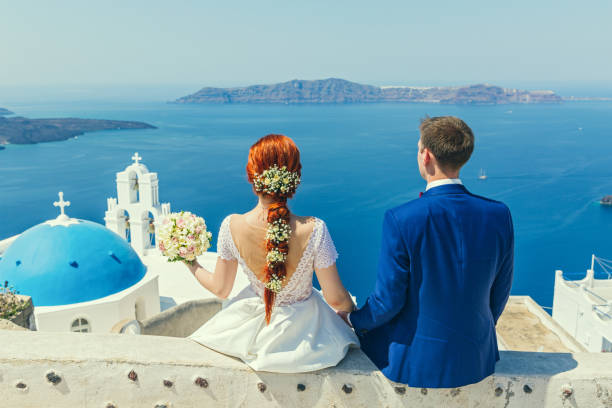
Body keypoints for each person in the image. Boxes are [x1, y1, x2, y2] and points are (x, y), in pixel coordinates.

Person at [339, 116, 514, 388]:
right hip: (477, 356)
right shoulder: (499, 215)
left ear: (427, 156)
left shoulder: (402, 219)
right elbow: (499, 292)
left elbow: (388, 301)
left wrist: (353, 318)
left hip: (417, 362)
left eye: (419, 148)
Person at [184, 133, 359, 372]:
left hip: (250, 332)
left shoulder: (231, 226)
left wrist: (190, 261)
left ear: (251, 177)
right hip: (307, 339)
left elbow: (221, 289)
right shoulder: (315, 229)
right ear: (295, 178)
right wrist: (356, 315)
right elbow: (336, 299)